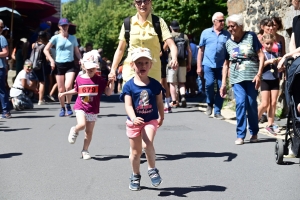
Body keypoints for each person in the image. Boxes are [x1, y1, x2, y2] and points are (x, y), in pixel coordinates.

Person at [120, 47, 164, 191]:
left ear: (151, 65)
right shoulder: (129, 86)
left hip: (150, 120)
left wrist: (161, 116)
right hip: (134, 122)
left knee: (147, 144)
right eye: (139, 63)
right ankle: (135, 175)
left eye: (146, 63)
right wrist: (133, 118)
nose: (143, 66)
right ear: (132, 65)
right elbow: (128, 105)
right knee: (135, 153)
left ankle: (152, 169)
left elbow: (159, 102)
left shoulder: (155, 84)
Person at [58, 50, 114, 160]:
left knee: (89, 132)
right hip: (81, 106)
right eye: (88, 68)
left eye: (93, 68)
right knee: (82, 124)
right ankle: (74, 130)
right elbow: (76, 90)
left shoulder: (99, 79)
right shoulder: (79, 78)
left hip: (93, 109)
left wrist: (112, 82)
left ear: (97, 67)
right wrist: (64, 93)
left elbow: (108, 92)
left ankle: (85, 150)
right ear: (83, 66)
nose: (91, 70)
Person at [108, 0, 178, 84]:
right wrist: (112, 70)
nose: (142, 4)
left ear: (151, 2)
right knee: (130, 96)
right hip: (131, 70)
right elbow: (120, 49)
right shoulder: (128, 23)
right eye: (139, 1)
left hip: (152, 71)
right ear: (134, 3)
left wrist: (174, 58)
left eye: (146, 1)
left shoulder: (159, 22)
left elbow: (172, 45)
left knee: (152, 96)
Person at [220, 14, 264, 145]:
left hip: (252, 76)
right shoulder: (228, 42)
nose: (230, 29)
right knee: (240, 103)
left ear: (240, 26)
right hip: (236, 77)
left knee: (251, 104)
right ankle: (240, 135)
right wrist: (223, 83)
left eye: (232, 26)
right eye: (228, 27)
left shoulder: (251, 36)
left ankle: (254, 132)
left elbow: (261, 56)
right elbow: (226, 64)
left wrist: (259, 74)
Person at [43, 18, 82, 117]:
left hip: (70, 63)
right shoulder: (55, 38)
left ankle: (68, 104)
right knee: (61, 89)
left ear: (68, 26)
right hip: (59, 64)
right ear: (59, 27)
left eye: (66, 25)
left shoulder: (73, 38)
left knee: (68, 86)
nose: (65, 27)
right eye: (63, 25)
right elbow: (46, 49)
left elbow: (77, 51)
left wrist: (81, 59)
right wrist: (52, 60)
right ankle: (62, 107)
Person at [197, 12, 231, 119]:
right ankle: (209, 103)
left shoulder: (227, 35)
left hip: (222, 66)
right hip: (208, 64)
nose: (222, 23)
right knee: (209, 84)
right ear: (214, 21)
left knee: (222, 87)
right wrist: (199, 66)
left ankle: (217, 111)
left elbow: (230, 52)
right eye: (220, 21)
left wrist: (229, 67)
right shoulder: (206, 33)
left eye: (223, 20)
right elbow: (201, 50)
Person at [257, 34, 282, 135]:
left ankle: (270, 124)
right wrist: (268, 62)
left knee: (273, 103)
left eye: (271, 43)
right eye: (267, 43)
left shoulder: (275, 54)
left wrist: (280, 66)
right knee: (264, 103)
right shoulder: (262, 54)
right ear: (263, 43)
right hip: (265, 80)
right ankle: (254, 119)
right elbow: (260, 66)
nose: (269, 45)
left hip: (274, 79)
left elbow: (277, 68)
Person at [167, 20, 192, 108]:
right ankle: (183, 97)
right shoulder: (184, 36)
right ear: (179, 27)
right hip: (183, 62)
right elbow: (189, 51)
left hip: (172, 63)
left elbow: (165, 48)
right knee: (182, 82)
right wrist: (189, 63)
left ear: (170, 28)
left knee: (172, 82)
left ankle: (174, 101)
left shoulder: (169, 36)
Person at [32, 31, 49, 105]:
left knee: (34, 81)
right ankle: (40, 99)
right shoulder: (45, 46)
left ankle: (33, 97)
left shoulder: (33, 45)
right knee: (42, 82)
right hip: (41, 65)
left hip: (32, 65)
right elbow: (47, 58)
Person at [0, 19, 11, 118]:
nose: (0, 29)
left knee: (1, 89)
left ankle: (6, 111)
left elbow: (6, 52)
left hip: (0, 67)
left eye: (1, 27)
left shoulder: (1, 38)